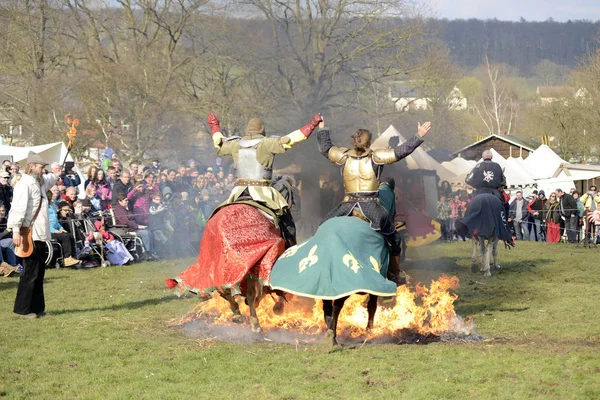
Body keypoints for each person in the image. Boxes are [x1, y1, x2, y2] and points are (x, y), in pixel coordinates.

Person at [317, 119, 431, 285]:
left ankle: (320, 269)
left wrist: (323, 129)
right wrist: (418, 136)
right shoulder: (376, 157)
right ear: (369, 142)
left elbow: (325, 148)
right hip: (371, 208)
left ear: (354, 141)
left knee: (322, 228)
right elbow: (401, 152)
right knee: (395, 239)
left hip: (346, 206)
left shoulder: (343, 156)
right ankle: (393, 275)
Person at [206, 111, 323, 247]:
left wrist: (214, 126)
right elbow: (290, 140)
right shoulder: (266, 143)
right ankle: (289, 249)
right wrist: (312, 124)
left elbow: (219, 144)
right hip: (262, 192)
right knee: (287, 222)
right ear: (262, 130)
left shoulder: (236, 144)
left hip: (238, 192)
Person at [8, 151, 57, 318]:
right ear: (31, 167)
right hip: (29, 233)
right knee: (30, 273)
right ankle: (22, 309)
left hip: (40, 234)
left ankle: (37, 309)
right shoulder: (25, 183)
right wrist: (15, 229)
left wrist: (57, 170)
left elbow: (52, 178)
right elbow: (18, 208)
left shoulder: (40, 182)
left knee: (39, 273)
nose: (43, 170)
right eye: (41, 167)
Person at [48, 201, 80, 267]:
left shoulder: (51, 207)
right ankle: (67, 258)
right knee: (65, 237)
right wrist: (53, 230)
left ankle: (73, 257)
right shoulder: (44, 209)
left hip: (55, 230)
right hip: (48, 232)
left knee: (70, 235)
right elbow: (44, 223)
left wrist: (61, 228)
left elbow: (56, 222)